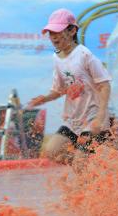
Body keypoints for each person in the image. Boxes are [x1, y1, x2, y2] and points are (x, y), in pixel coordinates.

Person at [28, 9, 112, 164]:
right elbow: (59, 90)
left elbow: (105, 85)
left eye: (57, 31)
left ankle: (90, 169)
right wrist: (44, 98)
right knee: (51, 151)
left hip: (92, 117)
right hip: (73, 119)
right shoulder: (57, 58)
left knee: (81, 163)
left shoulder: (84, 55)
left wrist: (100, 117)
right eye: (50, 32)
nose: (53, 36)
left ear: (72, 30)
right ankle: (95, 167)